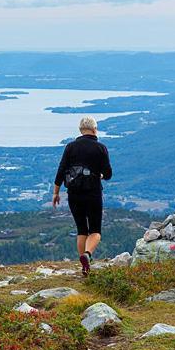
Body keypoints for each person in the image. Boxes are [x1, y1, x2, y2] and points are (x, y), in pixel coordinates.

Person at [52, 116, 112, 276]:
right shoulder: (101, 148)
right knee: (95, 231)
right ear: (94, 130)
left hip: (74, 194)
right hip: (93, 193)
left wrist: (56, 193)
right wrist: (99, 176)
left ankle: (84, 267)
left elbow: (61, 170)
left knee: (81, 230)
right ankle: (88, 255)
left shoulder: (70, 147)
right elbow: (108, 174)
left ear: (80, 130)